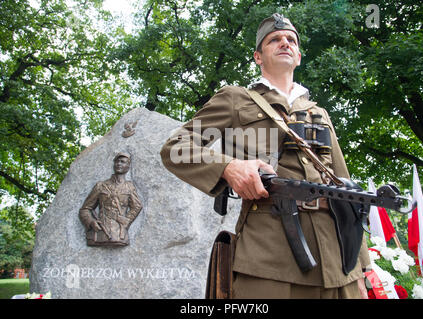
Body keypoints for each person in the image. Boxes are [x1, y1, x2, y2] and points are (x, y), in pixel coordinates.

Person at [160, 13, 370, 298]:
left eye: (291, 40)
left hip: (336, 262)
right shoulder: (235, 99)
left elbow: (347, 191)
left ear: (298, 57)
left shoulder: (319, 113)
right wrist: (228, 167)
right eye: (274, 40)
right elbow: (175, 148)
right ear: (258, 57)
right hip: (269, 259)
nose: (284, 42)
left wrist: (362, 266)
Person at [79, 152, 142, 247]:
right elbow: (85, 209)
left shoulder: (129, 187)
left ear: (128, 166)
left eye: (122, 162)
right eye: (117, 161)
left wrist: (126, 221)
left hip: (120, 234)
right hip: (101, 232)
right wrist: (91, 222)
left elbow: (137, 206)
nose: (119, 164)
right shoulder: (101, 186)